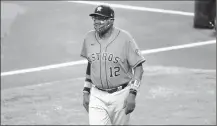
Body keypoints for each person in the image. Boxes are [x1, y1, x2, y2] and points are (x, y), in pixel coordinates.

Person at [80, 4, 146, 125]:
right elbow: (91, 65)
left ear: (110, 21)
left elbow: (138, 68)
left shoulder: (125, 38)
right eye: (95, 19)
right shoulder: (89, 38)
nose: (96, 22)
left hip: (121, 96)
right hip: (97, 95)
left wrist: (133, 93)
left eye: (100, 19)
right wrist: (86, 91)